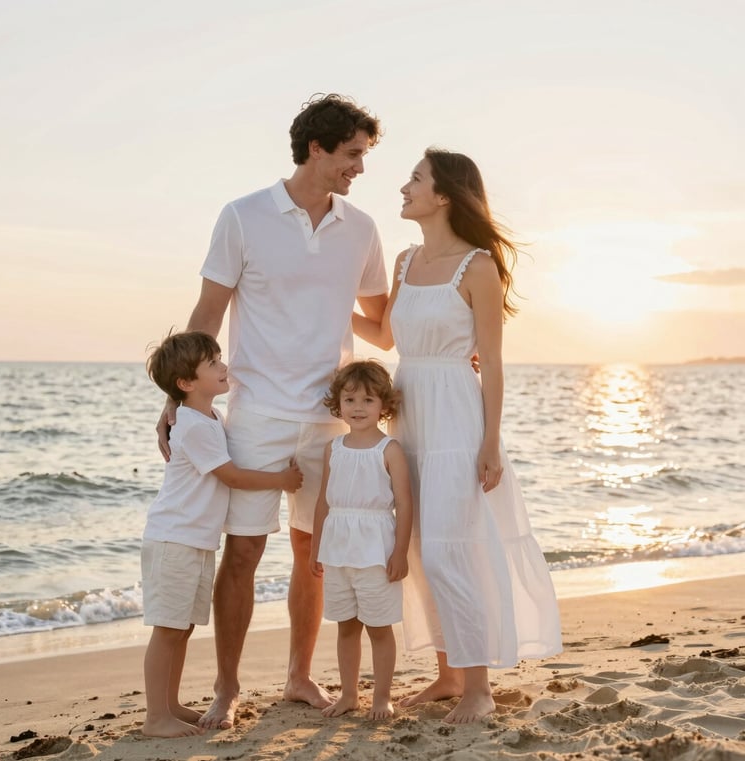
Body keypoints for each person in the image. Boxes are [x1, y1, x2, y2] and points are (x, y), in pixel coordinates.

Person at [156, 94, 388, 729]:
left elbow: (383, 325)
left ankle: (298, 676)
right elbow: (206, 317)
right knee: (244, 552)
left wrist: (447, 338)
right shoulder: (242, 216)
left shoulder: (362, 228)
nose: (359, 168)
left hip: (330, 418)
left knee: (315, 552)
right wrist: (177, 402)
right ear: (316, 149)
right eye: (351, 155)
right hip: (256, 411)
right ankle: (228, 687)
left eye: (362, 156)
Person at [354, 148, 562, 724]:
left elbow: (492, 364)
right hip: (407, 409)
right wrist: (324, 299)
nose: (403, 187)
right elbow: (385, 336)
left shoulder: (478, 267)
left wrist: (490, 442)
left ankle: (478, 687)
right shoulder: (402, 261)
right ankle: (447, 674)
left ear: (443, 194)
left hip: (455, 418)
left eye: (415, 179)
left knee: (453, 549)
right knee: (420, 548)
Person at [142, 331, 303, 737]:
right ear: (186, 383)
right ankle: (155, 716)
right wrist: (280, 479)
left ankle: (171, 703)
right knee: (168, 628)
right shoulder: (193, 427)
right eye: (213, 363)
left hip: (194, 540)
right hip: (174, 539)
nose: (224, 367)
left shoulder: (210, 418)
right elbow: (230, 476)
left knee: (184, 626)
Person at [310, 360, 413, 720]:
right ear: (338, 403)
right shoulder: (333, 448)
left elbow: (403, 504)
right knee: (346, 627)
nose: (358, 407)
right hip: (338, 552)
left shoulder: (389, 450)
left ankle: (382, 696)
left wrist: (400, 552)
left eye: (368, 400)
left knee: (379, 628)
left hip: (375, 554)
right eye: (350, 399)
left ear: (384, 405)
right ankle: (349, 695)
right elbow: (324, 501)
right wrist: (315, 548)